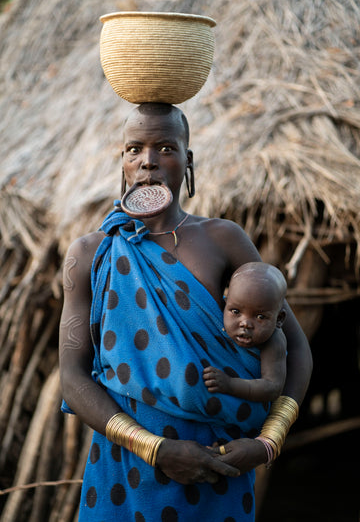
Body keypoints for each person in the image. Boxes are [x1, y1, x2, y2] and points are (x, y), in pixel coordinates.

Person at [59, 102, 312, 521]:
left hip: (220, 466)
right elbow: (72, 376)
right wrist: (154, 448)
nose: (148, 162)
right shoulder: (90, 253)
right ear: (121, 161)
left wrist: (268, 441)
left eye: (165, 148)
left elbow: (295, 348)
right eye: (134, 149)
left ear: (187, 160)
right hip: (126, 470)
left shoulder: (222, 239)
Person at [203, 262, 287, 403]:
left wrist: (230, 384)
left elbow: (272, 388)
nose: (245, 323)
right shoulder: (214, 320)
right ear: (224, 305)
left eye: (260, 317)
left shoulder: (274, 342)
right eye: (236, 311)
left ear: (279, 319)